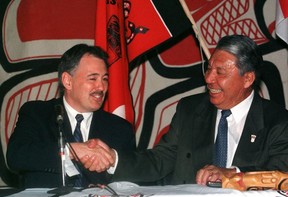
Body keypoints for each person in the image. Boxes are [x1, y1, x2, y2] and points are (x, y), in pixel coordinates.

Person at [82, 34, 288, 186]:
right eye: (208, 69)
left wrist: (232, 174)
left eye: (220, 72)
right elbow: (159, 161)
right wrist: (113, 159)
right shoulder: (189, 110)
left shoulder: (276, 120)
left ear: (248, 78)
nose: (208, 79)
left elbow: (280, 173)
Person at [6, 44, 136, 188]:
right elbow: (16, 156)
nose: (101, 87)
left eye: (105, 79)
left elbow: (132, 176)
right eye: (93, 79)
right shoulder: (37, 113)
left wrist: (109, 167)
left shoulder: (120, 128)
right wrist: (71, 150)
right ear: (67, 81)